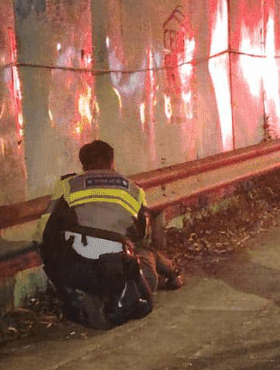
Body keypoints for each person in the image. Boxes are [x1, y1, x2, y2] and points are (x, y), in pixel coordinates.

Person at [36, 139, 183, 329]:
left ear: (84, 165)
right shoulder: (134, 189)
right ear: (112, 162)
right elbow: (141, 233)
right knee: (146, 253)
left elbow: (44, 227)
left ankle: (84, 297)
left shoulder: (68, 184)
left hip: (79, 266)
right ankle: (173, 273)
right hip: (118, 265)